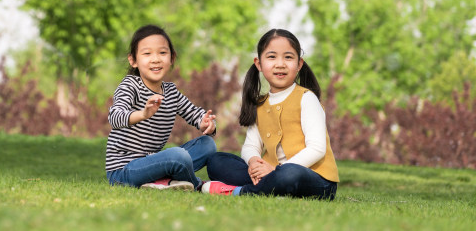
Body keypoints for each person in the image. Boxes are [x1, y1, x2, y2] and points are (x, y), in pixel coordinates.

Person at [204, 28, 339, 199]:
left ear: (299, 64)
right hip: (270, 173)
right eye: (272, 57)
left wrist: (276, 171)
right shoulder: (260, 104)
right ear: (259, 64)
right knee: (217, 162)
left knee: (289, 175)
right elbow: (251, 146)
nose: (280, 64)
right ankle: (272, 190)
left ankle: (240, 192)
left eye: (288, 57)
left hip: (314, 178)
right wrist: (254, 162)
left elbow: (317, 149)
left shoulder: (306, 98)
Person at [105, 24, 219, 192]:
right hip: (124, 170)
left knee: (208, 144)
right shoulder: (130, 85)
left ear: (172, 58)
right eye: (147, 53)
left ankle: (163, 181)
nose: (156, 59)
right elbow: (115, 117)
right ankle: (197, 186)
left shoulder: (171, 91)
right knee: (178, 156)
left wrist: (206, 122)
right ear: (133, 60)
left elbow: (194, 113)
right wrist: (143, 114)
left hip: (152, 162)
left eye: (162, 53)